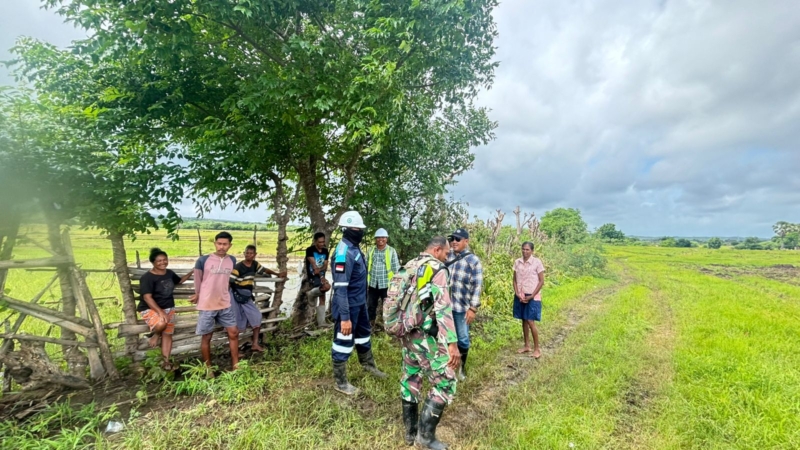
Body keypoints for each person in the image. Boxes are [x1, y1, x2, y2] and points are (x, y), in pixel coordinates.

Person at [399, 236, 460, 449]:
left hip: (407, 333)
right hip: (426, 337)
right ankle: (425, 438)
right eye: (445, 253)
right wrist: (452, 344)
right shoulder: (436, 269)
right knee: (446, 382)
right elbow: (443, 309)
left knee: (410, 377)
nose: (446, 257)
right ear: (436, 250)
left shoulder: (410, 265)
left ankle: (410, 433)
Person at [330, 210, 386, 395]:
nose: (360, 231)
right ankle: (341, 382)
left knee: (363, 334)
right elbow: (340, 288)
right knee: (343, 340)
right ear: (346, 229)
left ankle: (368, 365)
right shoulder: (343, 253)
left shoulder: (354, 248)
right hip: (348, 306)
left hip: (360, 303)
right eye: (357, 228)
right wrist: (345, 318)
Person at [190, 231, 239, 374]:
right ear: (215, 243)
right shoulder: (203, 260)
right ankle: (208, 368)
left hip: (225, 303)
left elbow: (229, 280)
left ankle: (236, 365)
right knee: (207, 336)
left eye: (225, 244)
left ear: (230, 245)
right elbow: (197, 279)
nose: (221, 247)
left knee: (234, 332)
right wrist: (198, 294)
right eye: (219, 243)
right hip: (207, 304)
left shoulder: (232, 260)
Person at [137, 248, 192, 369]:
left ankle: (166, 361)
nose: (163, 263)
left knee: (167, 334)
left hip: (169, 307)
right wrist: (161, 312)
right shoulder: (147, 278)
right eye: (159, 261)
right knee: (162, 323)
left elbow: (180, 280)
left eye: (165, 260)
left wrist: (191, 272)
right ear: (153, 263)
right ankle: (156, 335)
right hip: (150, 308)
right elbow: (147, 297)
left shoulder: (169, 273)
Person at [230, 245, 286, 352]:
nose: (249, 255)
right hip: (236, 295)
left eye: (251, 253)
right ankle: (234, 350)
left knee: (257, 317)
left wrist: (277, 274)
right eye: (247, 253)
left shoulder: (255, 265)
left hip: (246, 296)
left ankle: (254, 344)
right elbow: (230, 282)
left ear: (255, 255)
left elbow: (264, 270)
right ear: (244, 253)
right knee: (235, 321)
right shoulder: (238, 267)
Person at [446, 227, 483, 381]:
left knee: (462, 338)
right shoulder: (446, 257)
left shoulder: (473, 261)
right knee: (446, 337)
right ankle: (448, 367)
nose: (454, 242)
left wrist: (473, 308)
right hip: (446, 307)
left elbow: (477, 285)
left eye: (457, 239)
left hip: (462, 308)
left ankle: (461, 367)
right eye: (452, 239)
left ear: (466, 242)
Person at [513, 241, 545, 359]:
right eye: (523, 249)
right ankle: (527, 345)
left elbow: (541, 281)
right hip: (521, 295)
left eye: (527, 250)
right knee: (524, 320)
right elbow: (514, 280)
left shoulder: (537, 263)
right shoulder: (517, 262)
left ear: (532, 251)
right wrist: (517, 293)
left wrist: (532, 295)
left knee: (531, 321)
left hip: (533, 296)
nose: (525, 252)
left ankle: (537, 349)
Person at [366, 228, 400, 329]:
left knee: (388, 307)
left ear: (387, 239)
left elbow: (396, 269)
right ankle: (370, 327)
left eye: (383, 237)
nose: (381, 239)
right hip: (372, 284)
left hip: (386, 285)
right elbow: (365, 265)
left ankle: (389, 328)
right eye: (378, 237)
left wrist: (397, 286)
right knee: (371, 306)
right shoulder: (371, 250)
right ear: (375, 239)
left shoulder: (391, 251)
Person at [305, 232, 332, 328]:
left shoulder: (325, 251)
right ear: (315, 241)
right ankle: (310, 294)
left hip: (321, 274)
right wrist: (321, 276)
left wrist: (322, 274)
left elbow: (325, 265)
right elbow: (314, 265)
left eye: (323, 242)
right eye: (320, 242)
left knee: (323, 297)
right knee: (326, 287)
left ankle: (321, 322)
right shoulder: (310, 250)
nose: (321, 244)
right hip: (313, 276)